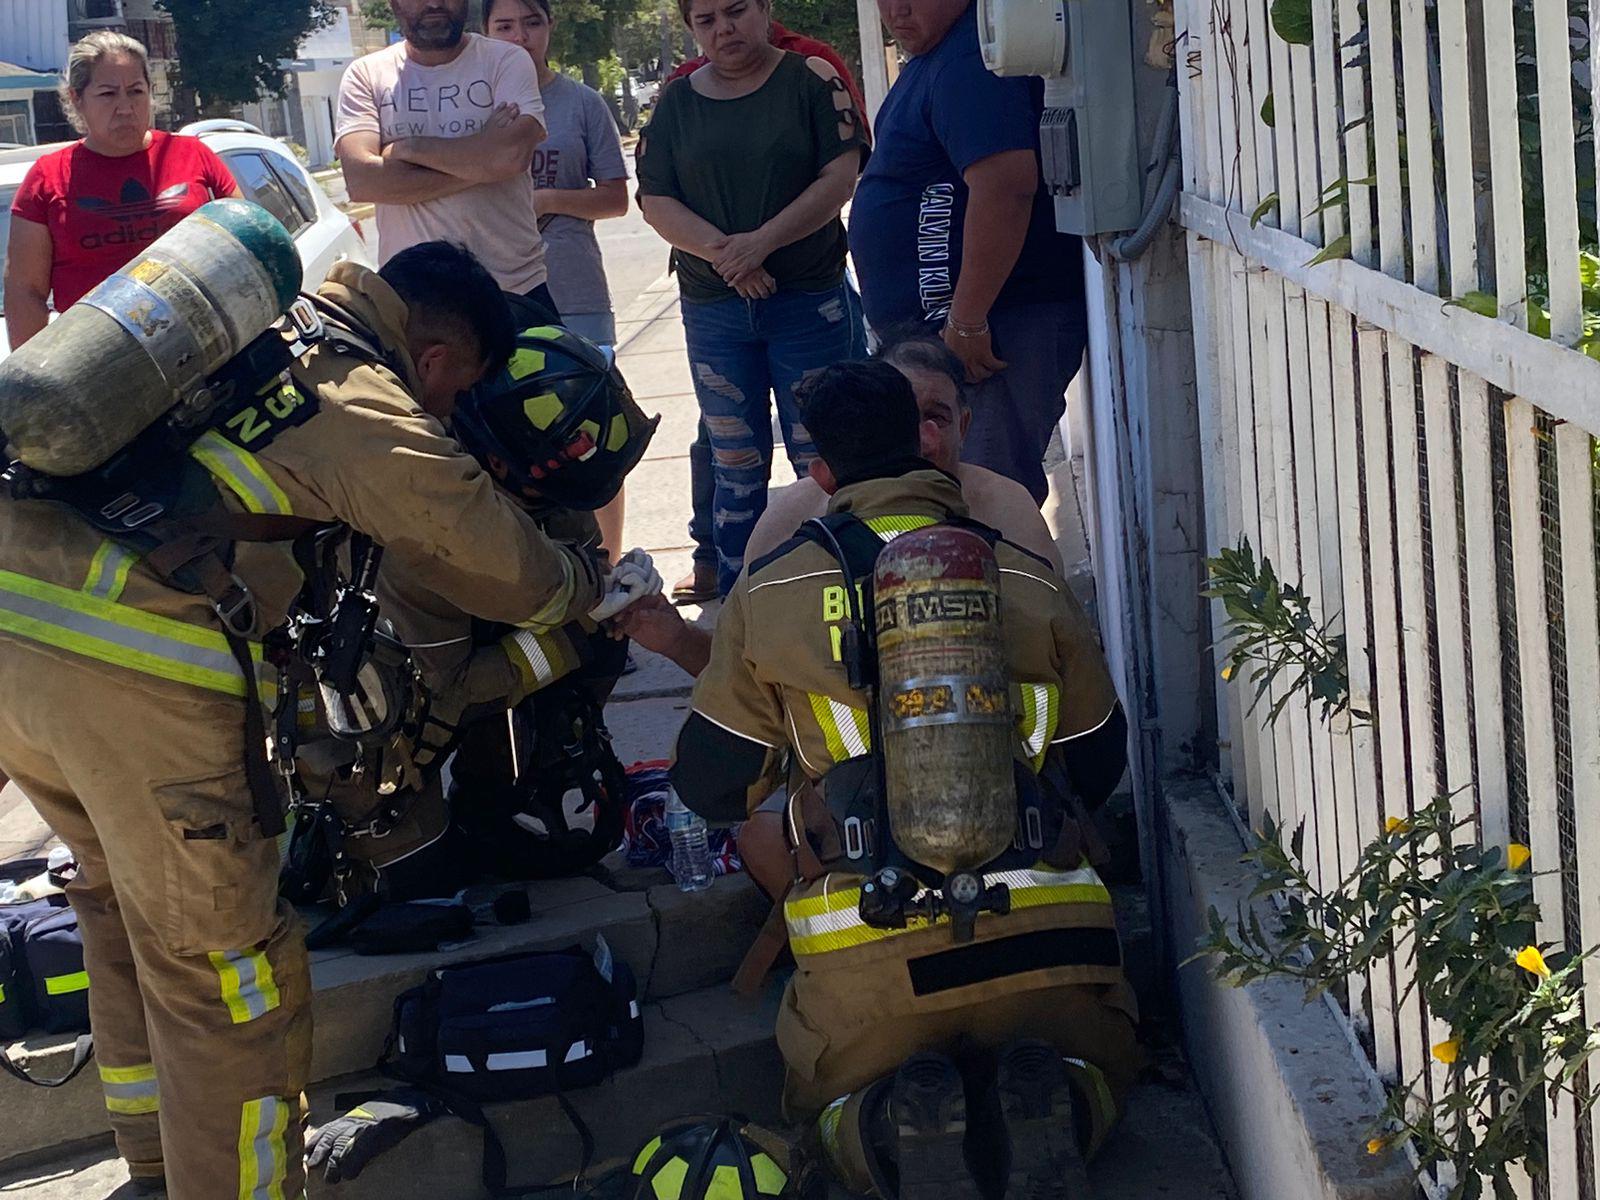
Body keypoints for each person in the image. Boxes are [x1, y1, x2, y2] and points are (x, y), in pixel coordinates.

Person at [0, 240, 609, 1198]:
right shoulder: (354, 394)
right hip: (132, 666)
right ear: (443, 359)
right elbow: (505, 568)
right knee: (225, 972)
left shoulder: (248, 332)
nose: (443, 412)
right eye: (454, 395)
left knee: (117, 900)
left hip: (16, 631)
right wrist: (586, 585)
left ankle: (155, 1154)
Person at [669, 360, 1136, 1198]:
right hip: (1049, 941)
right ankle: (1060, 1099)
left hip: (869, 954)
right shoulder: (1027, 575)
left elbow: (711, 786)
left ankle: (884, 1124)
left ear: (819, 476)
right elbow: (1101, 760)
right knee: (1104, 1065)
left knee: (826, 1102)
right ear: (938, 452)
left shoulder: (770, 592)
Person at [614, 329, 1072, 898]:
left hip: (866, 876)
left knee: (760, 828)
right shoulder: (791, 523)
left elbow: (721, 768)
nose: (927, 437)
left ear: (965, 425)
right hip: (1014, 871)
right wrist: (676, 638)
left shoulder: (1011, 510)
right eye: (911, 417)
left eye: (939, 416)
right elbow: (1092, 741)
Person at [293, 321, 660, 901]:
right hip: (377, 719)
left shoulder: (532, 479)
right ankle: (356, 825)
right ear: (500, 464)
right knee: (414, 881)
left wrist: (613, 595)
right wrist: (576, 635)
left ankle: (498, 795)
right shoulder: (425, 524)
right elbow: (446, 691)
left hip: (441, 676)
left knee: (596, 638)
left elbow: (576, 555)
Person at [637, 0, 867, 597]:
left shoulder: (812, 79)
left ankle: (834, 584)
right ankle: (747, 601)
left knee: (821, 455)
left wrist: (762, 243)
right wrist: (727, 255)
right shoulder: (674, 101)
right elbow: (655, 199)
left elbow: (840, 176)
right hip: (715, 309)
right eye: (705, 20)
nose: (724, 29)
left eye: (736, 11)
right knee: (734, 458)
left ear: (765, 9)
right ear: (691, 29)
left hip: (808, 304)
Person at [850, 0, 1089, 505]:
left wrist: (967, 321)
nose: (896, 9)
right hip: (956, 336)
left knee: (983, 501)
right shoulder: (939, 58)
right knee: (951, 501)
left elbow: (1006, 185)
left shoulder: (972, 59)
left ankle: (1001, 585)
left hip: (988, 336)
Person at [484, 0, 634, 556]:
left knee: (594, 432)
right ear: (486, 33)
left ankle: (609, 560)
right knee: (505, 442)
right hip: (497, 296)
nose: (520, 36)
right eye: (505, 26)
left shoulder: (581, 103)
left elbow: (616, 199)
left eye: (532, 23)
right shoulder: (477, 104)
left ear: (550, 28)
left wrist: (544, 198)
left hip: (575, 291)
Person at [5, 30, 238, 348]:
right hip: (99, 366)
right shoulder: (47, 178)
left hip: (208, 348)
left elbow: (247, 241)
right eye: (108, 94)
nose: (126, 107)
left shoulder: (193, 156)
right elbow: (25, 291)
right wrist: (32, 384)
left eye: (136, 91)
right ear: (77, 99)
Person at [335, 0, 556, 311]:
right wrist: (484, 158)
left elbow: (512, 156)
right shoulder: (366, 75)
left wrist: (409, 149)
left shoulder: (505, 60)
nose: (434, 4)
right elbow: (363, 182)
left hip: (515, 292)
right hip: (414, 304)